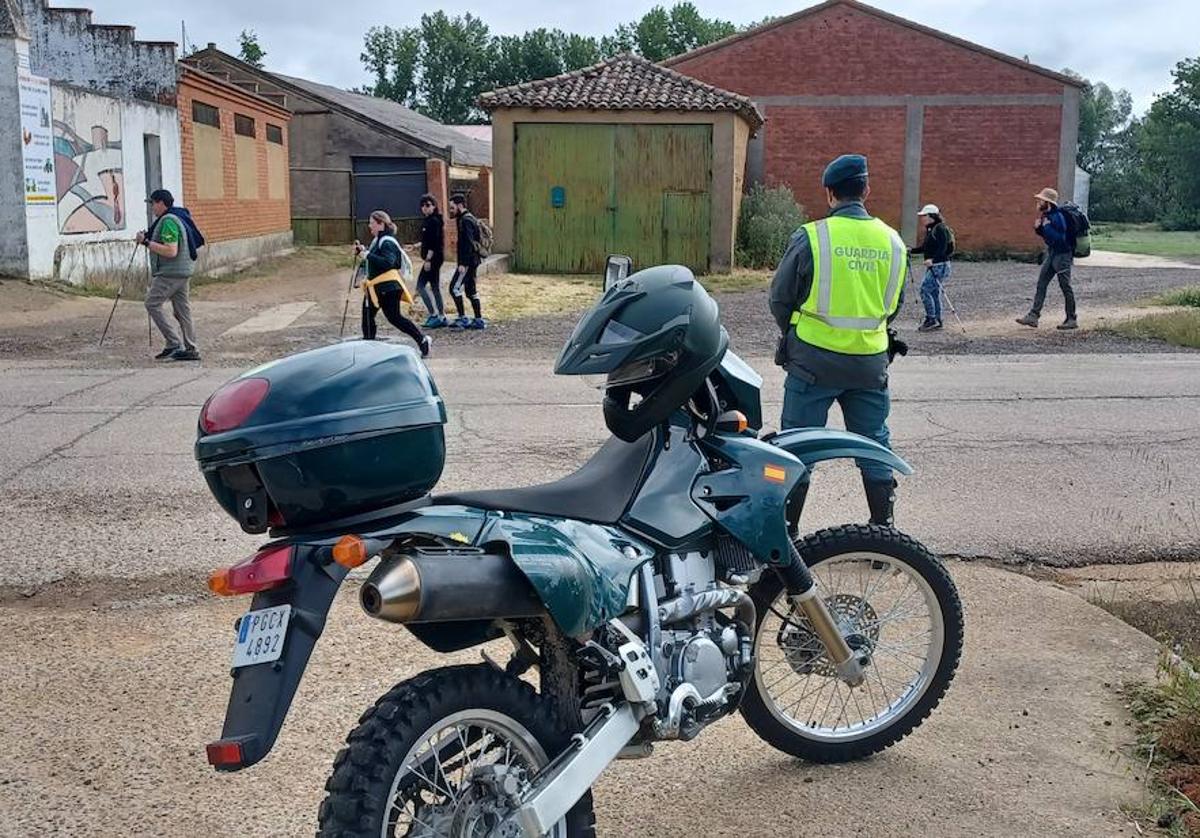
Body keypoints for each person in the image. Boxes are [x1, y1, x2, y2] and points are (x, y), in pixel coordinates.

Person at [769, 153, 907, 526]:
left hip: (812, 363)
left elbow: (780, 299)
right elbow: (893, 306)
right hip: (869, 363)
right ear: (866, 190)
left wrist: (796, 333)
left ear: (830, 193)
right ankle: (884, 532)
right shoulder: (893, 242)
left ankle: (788, 535)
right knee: (874, 443)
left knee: (797, 446)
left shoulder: (812, 236)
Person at [355, 210, 431, 357]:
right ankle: (369, 348)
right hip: (377, 287)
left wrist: (367, 254)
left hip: (388, 287)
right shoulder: (378, 240)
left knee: (394, 318)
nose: (369, 226)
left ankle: (422, 340)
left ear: (381, 224)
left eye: (372, 223)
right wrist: (364, 252)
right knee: (367, 316)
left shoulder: (387, 241)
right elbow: (374, 260)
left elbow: (388, 263)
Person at [139, 189, 204, 361]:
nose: (152, 207)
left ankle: (174, 343)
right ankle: (191, 348)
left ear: (161, 203)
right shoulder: (179, 216)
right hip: (183, 270)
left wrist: (146, 242)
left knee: (152, 303)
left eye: (153, 203)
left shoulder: (168, 221)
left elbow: (171, 250)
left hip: (171, 272)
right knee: (182, 310)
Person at [1016, 187, 1077, 330]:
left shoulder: (1057, 217)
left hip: (1063, 255)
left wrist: (1045, 227)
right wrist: (1040, 229)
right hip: (1052, 253)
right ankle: (1033, 316)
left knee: (1065, 286)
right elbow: (1048, 237)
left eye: (1041, 200)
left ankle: (1071, 318)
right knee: (1042, 282)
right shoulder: (1046, 216)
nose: (1038, 202)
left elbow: (1060, 239)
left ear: (1048, 202)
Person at [911, 203, 953, 332]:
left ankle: (931, 319)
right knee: (934, 292)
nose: (922, 218)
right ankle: (937, 319)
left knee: (925, 290)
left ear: (931, 216)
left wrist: (932, 260)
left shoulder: (939, 228)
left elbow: (943, 247)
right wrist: (911, 251)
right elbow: (925, 248)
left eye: (924, 216)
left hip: (939, 265)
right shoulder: (932, 229)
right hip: (936, 265)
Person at [448, 193, 485, 330]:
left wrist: (463, 263)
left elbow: (467, 244)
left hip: (467, 262)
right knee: (470, 290)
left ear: (460, 205)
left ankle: (463, 318)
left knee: (454, 288)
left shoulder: (465, 221)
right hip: (473, 261)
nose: (451, 211)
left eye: (452, 207)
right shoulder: (467, 219)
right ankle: (478, 319)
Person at [416, 194, 448, 329]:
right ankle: (441, 315)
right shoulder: (429, 221)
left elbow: (435, 242)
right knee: (434, 286)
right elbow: (427, 240)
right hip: (434, 257)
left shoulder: (433, 221)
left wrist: (428, 259)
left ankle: (434, 314)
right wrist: (418, 245)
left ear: (434, 206)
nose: (425, 208)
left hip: (433, 258)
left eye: (428, 205)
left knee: (420, 285)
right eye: (423, 205)